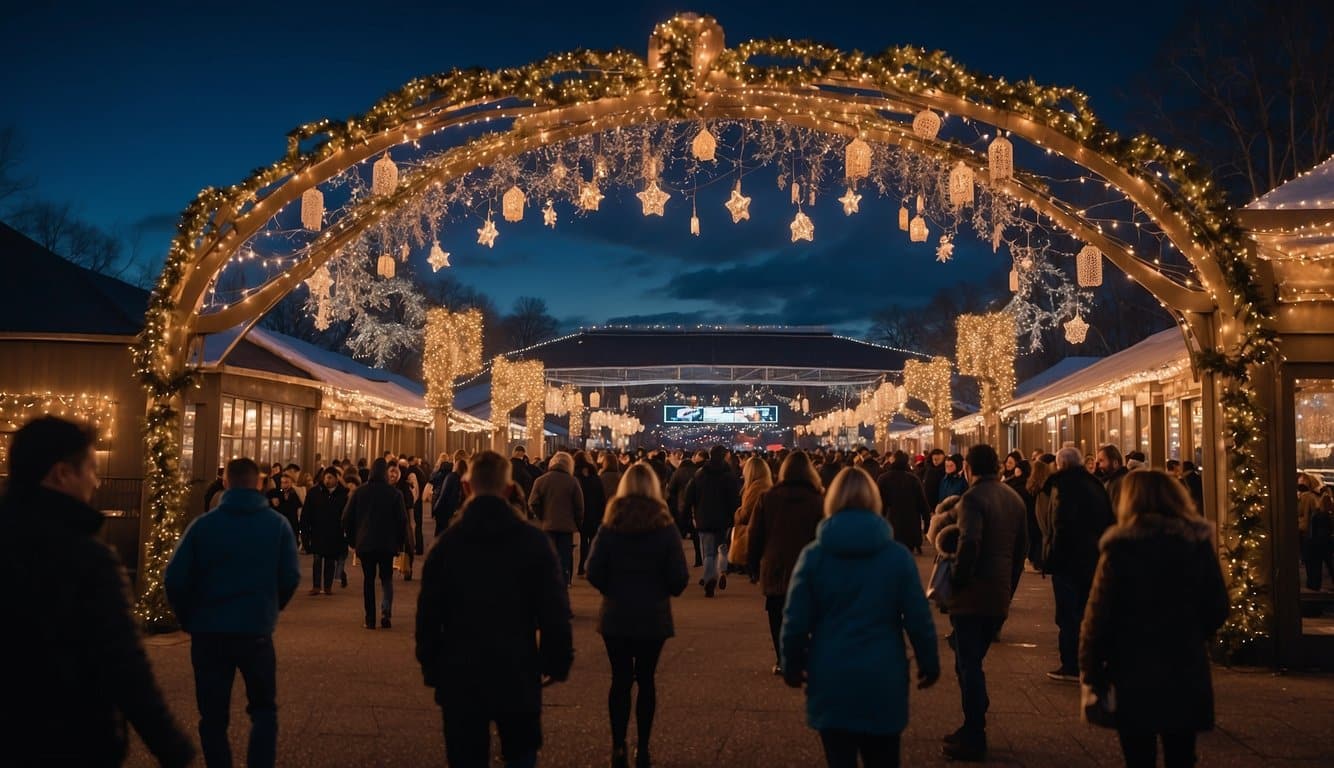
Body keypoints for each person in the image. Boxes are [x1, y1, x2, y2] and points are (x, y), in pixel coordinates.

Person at [0, 416, 195, 767]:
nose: (97, 480)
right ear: (61, 473)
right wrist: (170, 746)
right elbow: (123, 663)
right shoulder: (85, 557)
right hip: (71, 738)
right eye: (90, 468)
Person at [415, 450, 573, 768]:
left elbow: (428, 617)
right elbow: (554, 611)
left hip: (460, 671)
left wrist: (432, 667)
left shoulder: (447, 545)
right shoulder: (532, 543)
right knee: (519, 752)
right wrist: (555, 662)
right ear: (510, 489)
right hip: (517, 667)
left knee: (466, 755)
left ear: (466, 488)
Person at [781, 467, 939, 768]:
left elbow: (796, 619)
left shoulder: (814, 556)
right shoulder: (896, 556)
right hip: (884, 669)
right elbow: (918, 616)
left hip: (830, 670)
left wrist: (792, 663)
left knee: (839, 758)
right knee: (884, 757)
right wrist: (928, 661)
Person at [1079, 470, 1229, 768]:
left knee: (1138, 754)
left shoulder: (1120, 548)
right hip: (1185, 662)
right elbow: (1218, 605)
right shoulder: (1196, 545)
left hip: (1132, 665)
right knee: (1182, 754)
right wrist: (1192, 632)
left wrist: (1091, 667)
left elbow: (1098, 615)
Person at [166, 456, 301, 768]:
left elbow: (174, 577)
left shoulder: (203, 526)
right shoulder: (276, 525)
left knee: (212, 716)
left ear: (225, 482)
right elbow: (291, 576)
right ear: (258, 484)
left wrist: (188, 618)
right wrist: (271, 607)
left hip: (209, 632)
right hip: (255, 630)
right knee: (264, 709)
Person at [586, 464, 690, 768]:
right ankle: (642, 748)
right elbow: (679, 577)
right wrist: (663, 590)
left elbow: (593, 570)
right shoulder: (664, 525)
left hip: (616, 613)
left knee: (619, 680)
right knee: (646, 680)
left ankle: (618, 745)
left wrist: (612, 589)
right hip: (653, 615)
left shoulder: (610, 523)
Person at [942, 444, 1028, 762]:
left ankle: (974, 730)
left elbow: (970, 543)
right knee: (969, 658)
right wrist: (1009, 586)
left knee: (968, 663)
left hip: (973, 593)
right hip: (999, 592)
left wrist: (957, 580)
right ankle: (972, 724)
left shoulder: (973, 499)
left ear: (968, 467)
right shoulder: (1012, 498)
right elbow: (1022, 548)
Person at [748, 451, 825, 674]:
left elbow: (755, 534)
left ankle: (784, 659)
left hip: (775, 565)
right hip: (809, 565)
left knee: (777, 613)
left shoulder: (768, 497)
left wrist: (752, 564)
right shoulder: (818, 499)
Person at [1044, 447, 1116, 682]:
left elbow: (1060, 524)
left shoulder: (1063, 486)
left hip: (1068, 560)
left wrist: (1053, 557)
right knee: (1088, 611)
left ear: (1060, 464)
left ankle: (1072, 664)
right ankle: (1091, 660)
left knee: (1067, 614)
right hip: (1092, 557)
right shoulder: (1095, 484)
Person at [342, 458, 410, 629]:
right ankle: (386, 611)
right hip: (387, 544)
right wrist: (400, 543)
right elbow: (403, 521)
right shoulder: (395, 494)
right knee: (387, 579)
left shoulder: (359, 492)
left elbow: (346, 518)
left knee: (368, 580)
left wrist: (353, 540)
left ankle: (370, 618)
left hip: (365, 544)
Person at [683, 445, 742, 597]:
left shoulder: (700, 474)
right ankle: (722, 570)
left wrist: (688, 515)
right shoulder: (728, 476)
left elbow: (689, 496)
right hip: (723, 519)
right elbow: (734, 500)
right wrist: (733, 517)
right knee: (722, 547)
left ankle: (709, 577)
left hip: (704, 517)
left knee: (708, 552)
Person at [530, 451, 585, 587]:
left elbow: (533, 502)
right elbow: (579, 506)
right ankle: (565, 581)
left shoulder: (541, 480)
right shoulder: (573, 481)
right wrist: (578, 523)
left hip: (547, 525)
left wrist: (542, 516)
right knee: (565, 556)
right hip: (567, 526)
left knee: (548, 555)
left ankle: (548, 580)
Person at [303, 467, 349, 595]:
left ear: (336, 479)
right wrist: (306, 533)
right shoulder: (314, 493)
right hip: (317, 531)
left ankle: (327, 586)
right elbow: (306, 514)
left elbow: (347, 512)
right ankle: (316, 586)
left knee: (330, 560)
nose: (326, 480)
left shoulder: (342, 494)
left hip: (334, 533)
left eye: (330, 477)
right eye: (325, 477)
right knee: (317, 559)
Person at [876, 450, 929, 554]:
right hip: (911, 526)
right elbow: (922, 503)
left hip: (890, 524)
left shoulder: (883, 479)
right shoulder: (913, 479)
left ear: (893, 461)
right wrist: (927, 522)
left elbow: (878, 503)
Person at [731, 456, 773, 576]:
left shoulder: (756, 489)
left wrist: (737, 513)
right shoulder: (766, 485)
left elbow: (746, 514)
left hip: (752, 531)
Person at [666, 449, 705, 567]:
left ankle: (679, 558)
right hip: (696, 505)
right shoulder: (697, 471)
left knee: (681, 531)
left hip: (682, 504)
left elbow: (671, 489)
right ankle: (699, 557)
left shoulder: (678, 472)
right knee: (696, 533)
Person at [573, 451, 607, 577]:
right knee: (593, 541)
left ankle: (581, 566)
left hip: (581, 513)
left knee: (583, 541)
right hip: (594, 513)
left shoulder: (575, 477)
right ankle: (591, 566)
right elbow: (601, 498)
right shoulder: (595, 477)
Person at [267, 471, 303, 543]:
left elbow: (299, 509)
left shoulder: (295, 493)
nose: (283, 485)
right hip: (279, 525)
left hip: (292, 525)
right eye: (282, 482)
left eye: (286, 482)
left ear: (291, 483)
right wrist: (271, 501)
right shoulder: (276, 493)